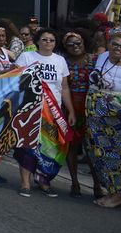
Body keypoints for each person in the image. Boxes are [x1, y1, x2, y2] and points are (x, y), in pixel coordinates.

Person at [14, 27, 75, 198]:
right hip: (30, 109)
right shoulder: (27, 56)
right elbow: (16, 79)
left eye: (52, 40)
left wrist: (70, 111)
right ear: (37, 41)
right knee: (27, 146)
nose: (48, 43)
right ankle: (25, 182)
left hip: (53, 112)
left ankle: (43, 180)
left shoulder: (60, 60)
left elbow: (64, 87)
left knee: (50, 147)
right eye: (45, 39)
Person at [86, 25, 121, 208]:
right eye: (115, 44)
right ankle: (113, 192)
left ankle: (118, 195)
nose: (118, 48)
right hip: (96, 115)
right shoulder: (102, 57)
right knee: (100, 154)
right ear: (109, 44)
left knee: (119, 155)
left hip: (116, 118)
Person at [61, 29, 97, 198]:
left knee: (92, 148)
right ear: (65, 47)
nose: (75, 47)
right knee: (72, 146)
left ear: (84, 43)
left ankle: (98, 184)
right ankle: (75, 182)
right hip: (70, 108)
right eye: (70, 44)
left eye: (78, 43)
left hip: (92, 108)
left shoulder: (95, 60)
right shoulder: (63, 62)